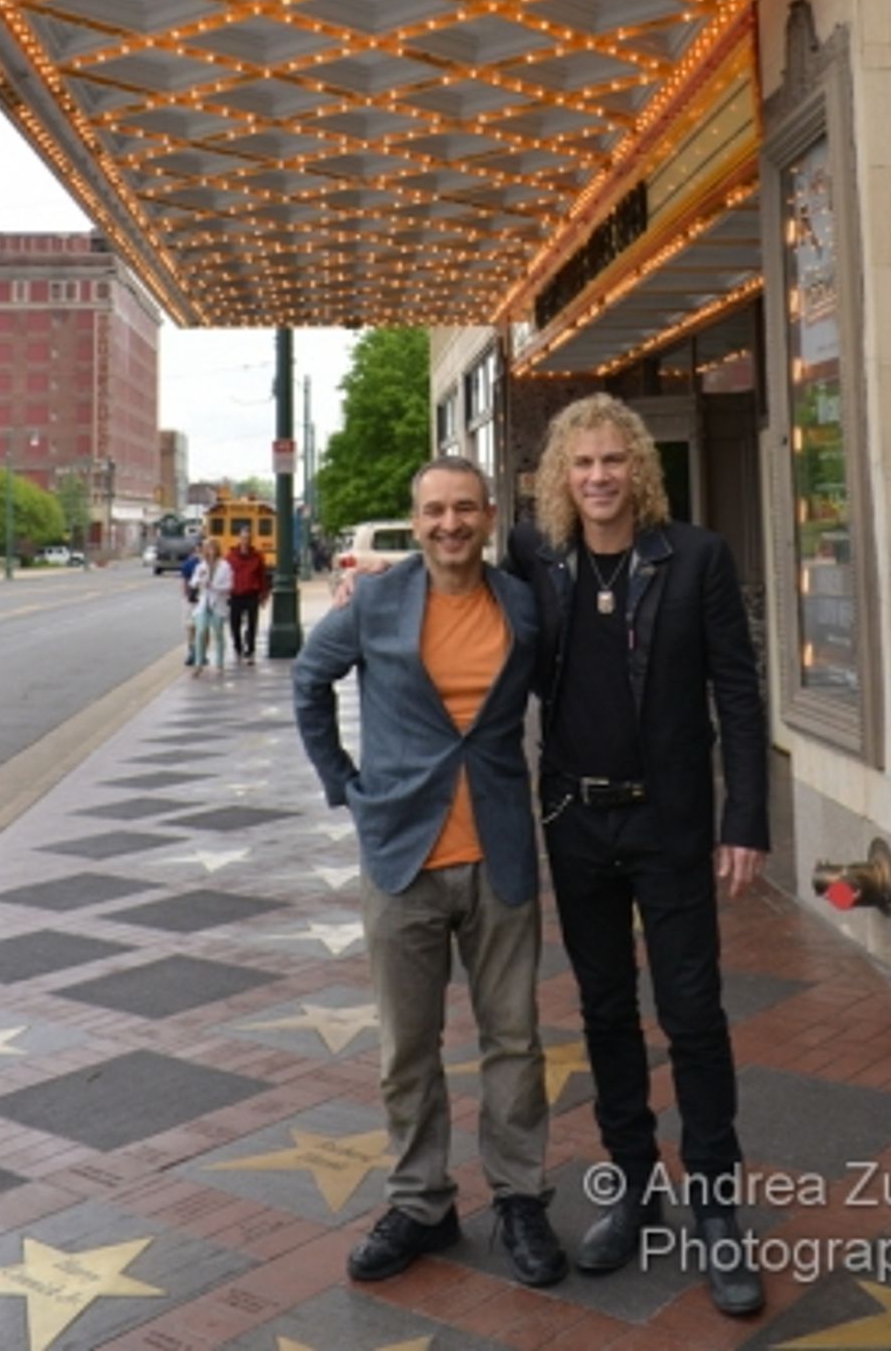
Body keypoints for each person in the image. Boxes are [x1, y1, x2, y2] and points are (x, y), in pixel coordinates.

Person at [507, 392, 769, 1318]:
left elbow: (739, 694)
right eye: (582, 464)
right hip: (577, 823)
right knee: (606, 1011)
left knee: (693, 1013)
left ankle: (715, 1202)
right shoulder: (538, 560)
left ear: (639, 470)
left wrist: (746, 819)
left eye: (614, 460)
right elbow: (456, 599)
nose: (599, 477)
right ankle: (631, 1180)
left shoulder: (692, 557)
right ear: (559, 477)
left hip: (671, 823)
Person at [293, 455, 566, 1291]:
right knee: (407, 1048)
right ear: (416, 522)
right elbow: (310, 681)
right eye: (434, 511)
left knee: (514, 1043)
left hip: (500, 856)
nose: (450, 524)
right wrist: (347, 788)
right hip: (402, 857)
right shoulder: (374, 601)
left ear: (487, 517)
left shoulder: (521, 604)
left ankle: (519, 1197)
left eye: (465, 509)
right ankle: (421, 1202)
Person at [189, 537, 233, 671]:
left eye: (212, 548)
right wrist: (199, 581)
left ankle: (219, 663)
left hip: (218, 604)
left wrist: (214, 586)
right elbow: (193, 582)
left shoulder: (225, 566)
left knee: (218, 633)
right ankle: (198, 662)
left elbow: (229, 585)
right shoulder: (201, 566)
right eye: (207, 548)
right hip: (203, 603)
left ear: (217, 550)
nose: (210, 551)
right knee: (201, 631)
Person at [226, 528, 269, 664]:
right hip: (235, 594)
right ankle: (238, 646)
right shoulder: (231, 556)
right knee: (234, 624)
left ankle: (250, 649)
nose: (245, 541)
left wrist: (263, 594)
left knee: (252, 624)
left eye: (248, 538)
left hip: (251, 594)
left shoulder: (257, 557)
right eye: (243, 538)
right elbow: (226, 575)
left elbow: (262, 577)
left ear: (251, 540)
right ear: (239, 539)